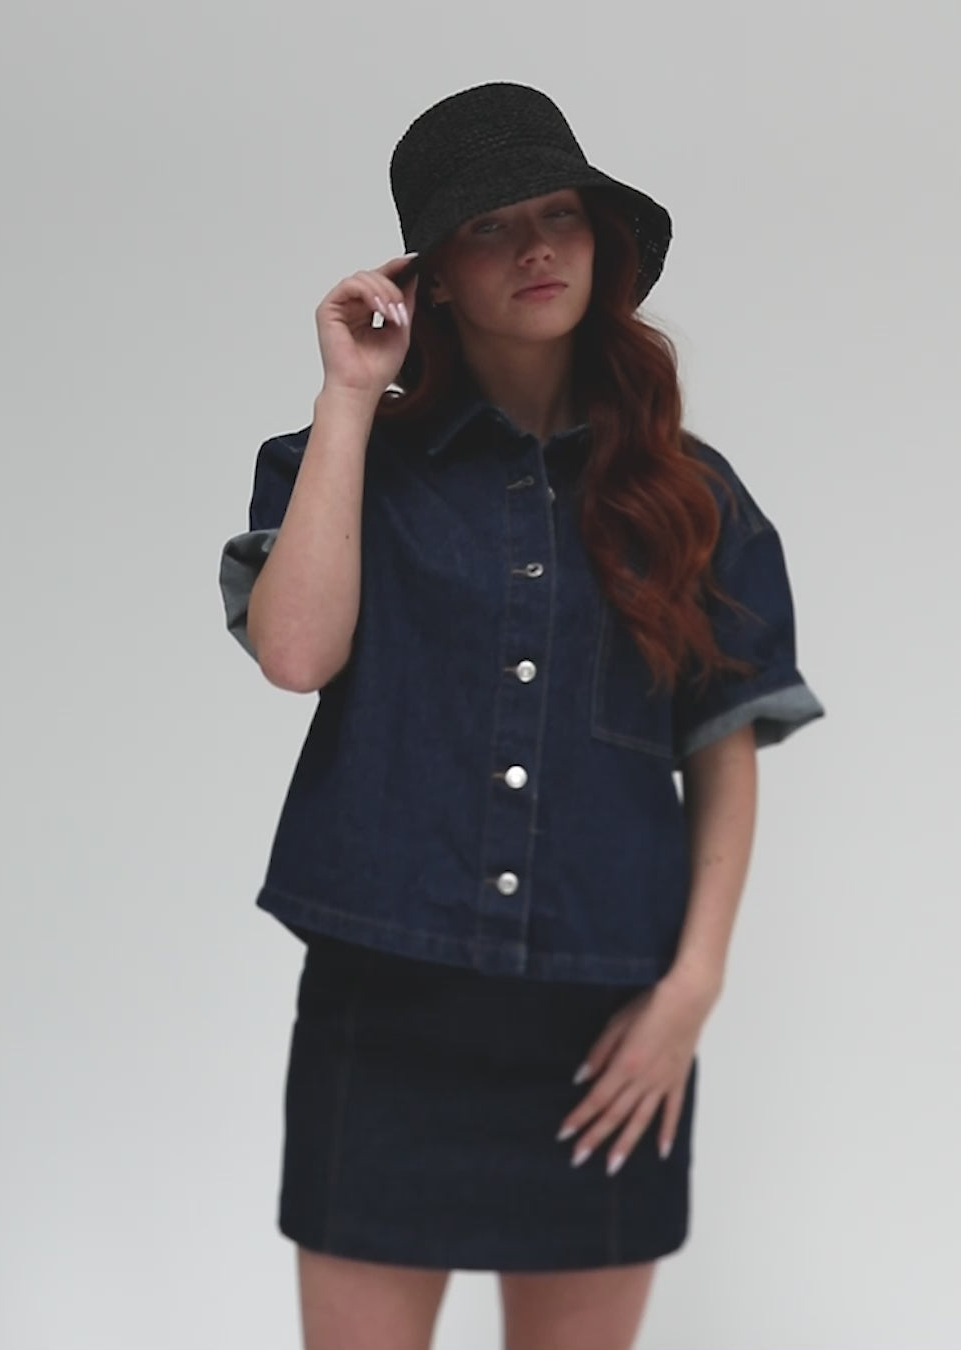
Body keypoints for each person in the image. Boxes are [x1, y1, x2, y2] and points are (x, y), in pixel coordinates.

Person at [218, 81, 825, 1350]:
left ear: (602, 243)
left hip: (607, 1036)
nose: (537, 247)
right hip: (386, 1011)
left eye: (560, 215)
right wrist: (348, 396)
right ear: (432, 274)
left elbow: (724, 749)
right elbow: (295, 652)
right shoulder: (342, 463)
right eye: (491, 225)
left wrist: (692, 992)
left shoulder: (691, 497)